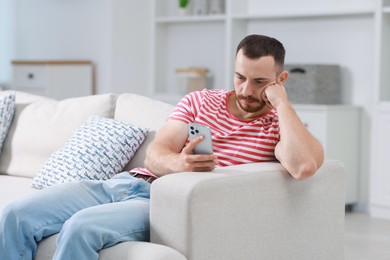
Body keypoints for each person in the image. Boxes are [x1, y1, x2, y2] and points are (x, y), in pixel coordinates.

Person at [0, 34, 324, 260]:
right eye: (240, 77)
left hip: (164, 204)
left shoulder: (277, 127)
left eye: (259, 82)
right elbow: (157, 153)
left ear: (280, 79)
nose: (245, 89)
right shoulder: (201, 100)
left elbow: (304, 165)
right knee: (15, 214)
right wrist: (180, 164)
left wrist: (281, 104)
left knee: (81, 228)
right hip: (123, 184)